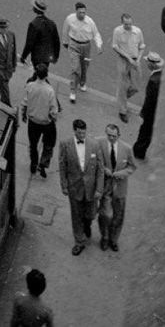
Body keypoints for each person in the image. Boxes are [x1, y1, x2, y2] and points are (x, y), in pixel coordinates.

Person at [58, 117, 100, 254]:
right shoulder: (65, 144)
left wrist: (99, 188)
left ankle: (87, 224)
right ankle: (79, 242)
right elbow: (62, 165)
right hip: (74, 186)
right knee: (76, 215)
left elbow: (100, 168)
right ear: (74, 131)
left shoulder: (94, 144)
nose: (82, 135)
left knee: (91, 214)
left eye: (84, 133)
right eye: (80, 133)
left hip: (91, 187)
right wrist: (64, 185)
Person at [93, 120, 135, 251]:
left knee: (118, 215)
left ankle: (114, 239)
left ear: (119, 135)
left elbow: (132, 166)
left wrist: (120, 173)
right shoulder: (98, 142)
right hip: (105, 185)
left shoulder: (126, 149)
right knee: (105, 215)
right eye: (109, 135)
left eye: (114, 136)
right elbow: (93, 159)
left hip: (119, 187)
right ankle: (104, 237)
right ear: (106, 134)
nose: (111, 138)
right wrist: (104, 168)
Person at [23, 64, 61, 177]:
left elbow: (25, 102)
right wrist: (53, 118)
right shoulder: (49, 90)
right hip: (46, 122)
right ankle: (43, 164)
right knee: (49, 143)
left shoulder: (30, 86)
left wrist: (24, 114)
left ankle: (33, 163)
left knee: (33, 144)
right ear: (46, 75)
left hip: (33, 121)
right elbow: (53, 108)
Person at [111, 11, 147, 121]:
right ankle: (122, 110)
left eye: (130, 23)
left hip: (135, 60)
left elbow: (142, 46)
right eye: (126, 24)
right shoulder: (117, 31)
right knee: (123, 86)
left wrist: (138, 59)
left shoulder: (137, 31)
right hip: (123, 60)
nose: (128, 26)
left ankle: (122, 98)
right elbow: (115, 46)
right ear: (122, 23)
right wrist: (128, 58)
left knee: (136, 86)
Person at [63, 2, 102, 102]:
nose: (82, 15)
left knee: (85, 66)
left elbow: (96, 34)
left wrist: (99, 45)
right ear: (76, 11)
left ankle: (82, 82)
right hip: (74, 45)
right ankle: (73, 91)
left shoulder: (90, 22)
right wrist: (65, 42)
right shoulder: (70, 19)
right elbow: (65, 30)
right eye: (80, 12)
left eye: (84, 12)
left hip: (86, 46)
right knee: (75, 68)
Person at [132, 52, 163, 160]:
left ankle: (138, 152)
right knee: (148, 132)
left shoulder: (154, 80)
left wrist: (143, 113)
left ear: (151, 64)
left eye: (148, 62)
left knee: (145, 131)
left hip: (152, 112)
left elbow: (150, 100)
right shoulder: (160, 75)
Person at [21, 0, 61, 74]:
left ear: (35, 10)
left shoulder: (33, 24)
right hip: (47, 57)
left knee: (37, 75)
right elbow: (56, 41)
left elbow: (29, 43)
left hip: (37, 56)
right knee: (43, 74)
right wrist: (56, 56)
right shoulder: (51, 23)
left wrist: (23, 57)